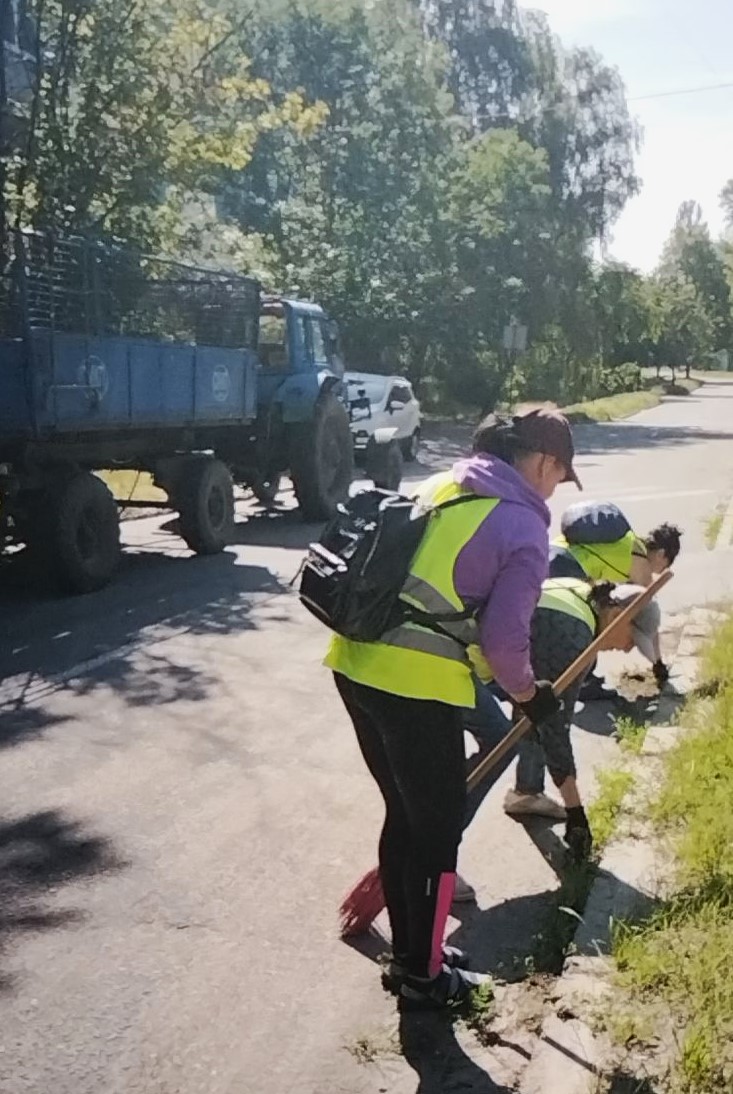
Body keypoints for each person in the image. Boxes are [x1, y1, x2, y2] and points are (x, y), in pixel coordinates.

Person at [326, 409, 581, 1008]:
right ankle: (424, 977)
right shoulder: (523, 525)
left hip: (354, 663)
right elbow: (504, 642)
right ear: (544, 462)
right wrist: (530, 695)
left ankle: (416, 958)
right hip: (416, 682)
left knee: (405, 818)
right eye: (559, 476)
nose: (554, 489)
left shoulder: (444, 483)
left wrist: (501, 679)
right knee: (437, 833)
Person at [461, 578, 662, 880]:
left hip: (489, 656)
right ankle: (436, 853)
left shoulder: (579, 595)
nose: (627, 649)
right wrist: (575, 813)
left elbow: (536, 706)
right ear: (617, 613)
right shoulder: (572, 637)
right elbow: (555, 726)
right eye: (632, 639)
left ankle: (526, 793)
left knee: (531, 711)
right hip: (456, 661)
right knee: (496, 745)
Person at [550, 504, 680, 697]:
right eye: (665, 565)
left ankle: (577, 677)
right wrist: (658, 663)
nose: (659, 572)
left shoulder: (630, 543)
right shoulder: (642, 565)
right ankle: (582, 681)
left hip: (555, 553)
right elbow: (647, 622)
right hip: (570, 565)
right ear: (661, 554)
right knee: (590, 623)